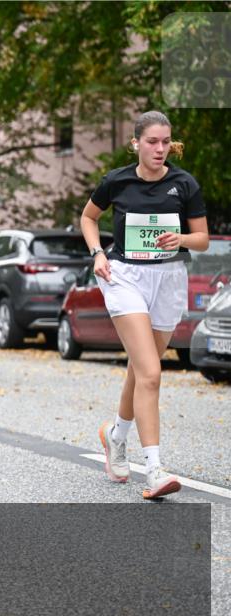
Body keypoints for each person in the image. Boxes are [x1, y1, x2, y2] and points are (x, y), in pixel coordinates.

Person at [80, 110, 209, 500]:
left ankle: (115, 436)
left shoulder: (183, 184)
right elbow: (88, 218)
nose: (159, 148)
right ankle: (154, 470)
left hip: (168, 278)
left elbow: (202, 238)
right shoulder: (115, 181)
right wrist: (97, 253)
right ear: (135, 143)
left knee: (141, 369)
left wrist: (180, 239)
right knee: (151, 372)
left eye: (166, 141)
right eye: (152, 141)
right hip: (124, 278)